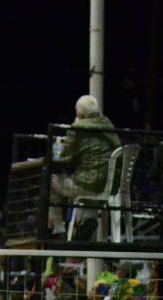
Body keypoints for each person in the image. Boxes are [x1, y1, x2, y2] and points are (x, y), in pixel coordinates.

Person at [48, 95, 120, 236]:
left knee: (49, 180)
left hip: (88, 185)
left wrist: (73, 129)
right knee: (89, 179)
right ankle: (88, 219)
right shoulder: (108, 124)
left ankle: (58, 228)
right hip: (110, 185)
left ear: (80, 114)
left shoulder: (78, 128)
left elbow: (63, 159)